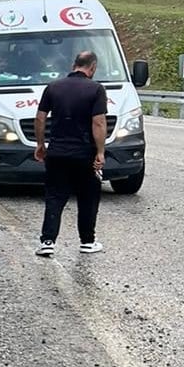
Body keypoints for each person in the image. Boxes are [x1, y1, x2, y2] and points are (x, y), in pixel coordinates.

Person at [33, 51, 107, 257]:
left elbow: (40, 118)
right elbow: (98, 122)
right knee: (88, 197)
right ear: (92, 67)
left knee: (55, 197)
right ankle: (87, 241)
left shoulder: (53, 87)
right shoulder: (96, 89)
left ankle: (47, 241)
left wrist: (41, 144)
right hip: (85, 153)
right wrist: (100, 152)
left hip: (57, 152)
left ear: (74, 65)